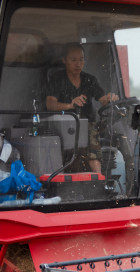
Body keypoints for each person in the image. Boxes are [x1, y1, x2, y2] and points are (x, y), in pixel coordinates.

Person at [45, 43, 118, 174]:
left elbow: (102, 99)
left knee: (92, 142)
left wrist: (109, 98)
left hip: (88, 124)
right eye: (73, 60)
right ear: (64, 60)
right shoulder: (57, 79)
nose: (78, 64)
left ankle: (98, 180)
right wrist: (70, 105)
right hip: (63, 125)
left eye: (81, 59)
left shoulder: (89, 79)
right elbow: (50, 104)